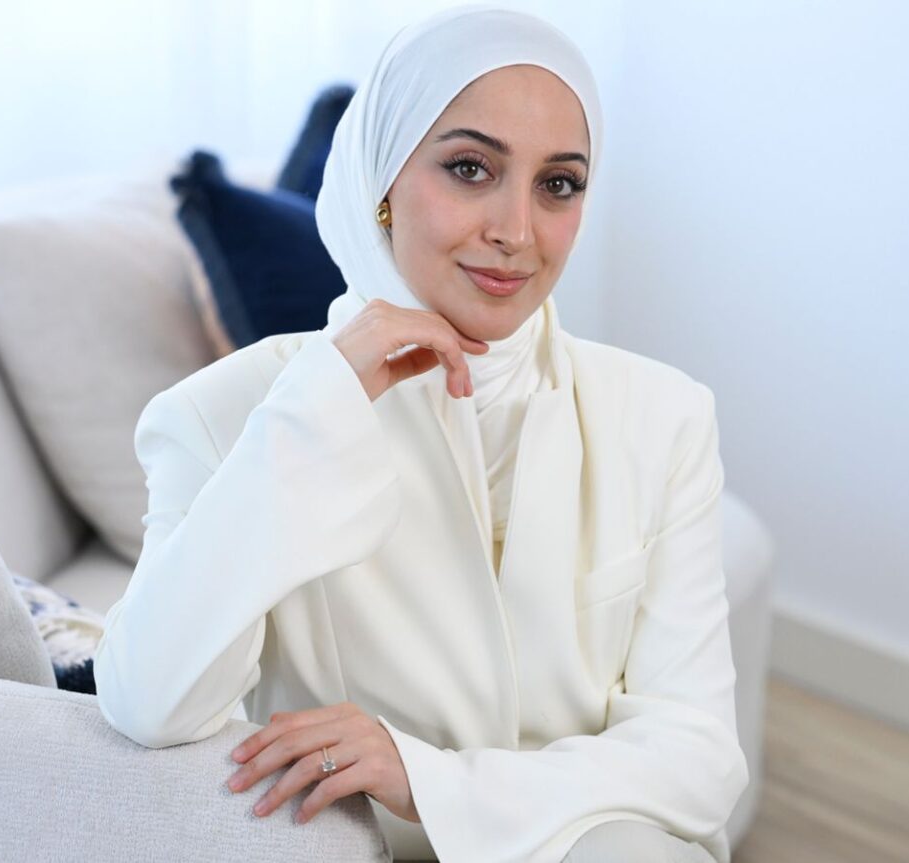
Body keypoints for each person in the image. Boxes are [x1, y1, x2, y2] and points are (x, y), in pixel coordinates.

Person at [94, 4, 748, 861]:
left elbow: (701, 759)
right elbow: (147, 699)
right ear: (381, 185)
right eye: (471, 169)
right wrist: (314, 413)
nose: (515, 232)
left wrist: (428, 777)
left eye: (558, 184)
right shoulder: (221, 414)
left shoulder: (663, 415)